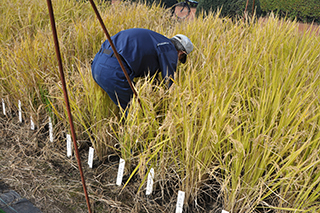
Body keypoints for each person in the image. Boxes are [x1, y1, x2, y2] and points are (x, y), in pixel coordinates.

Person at [91, 28, 193, 110]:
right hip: (114, 70)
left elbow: (151, 76)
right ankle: (133, 135)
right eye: (180, 59)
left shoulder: (157, 41)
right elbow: (170, 82)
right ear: (181, 53)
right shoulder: (169, 48)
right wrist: (180, 106)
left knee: (125, 107)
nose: (177, 60)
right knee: (136, 111)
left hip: (97, 63)